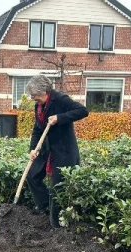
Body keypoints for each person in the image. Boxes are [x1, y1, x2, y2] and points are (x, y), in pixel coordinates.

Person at [25, 75, 88, 228]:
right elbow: (37, 129)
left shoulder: (60, 99)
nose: (32, 98)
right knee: (31, 175)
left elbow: (83, 111)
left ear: (43, 91)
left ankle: (55, 226)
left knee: (57, 188)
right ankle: (44, 205)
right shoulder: (39, 106)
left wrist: (60, 118)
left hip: (64, 151)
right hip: (47, 150)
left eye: (34, 95)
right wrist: (33, 149)